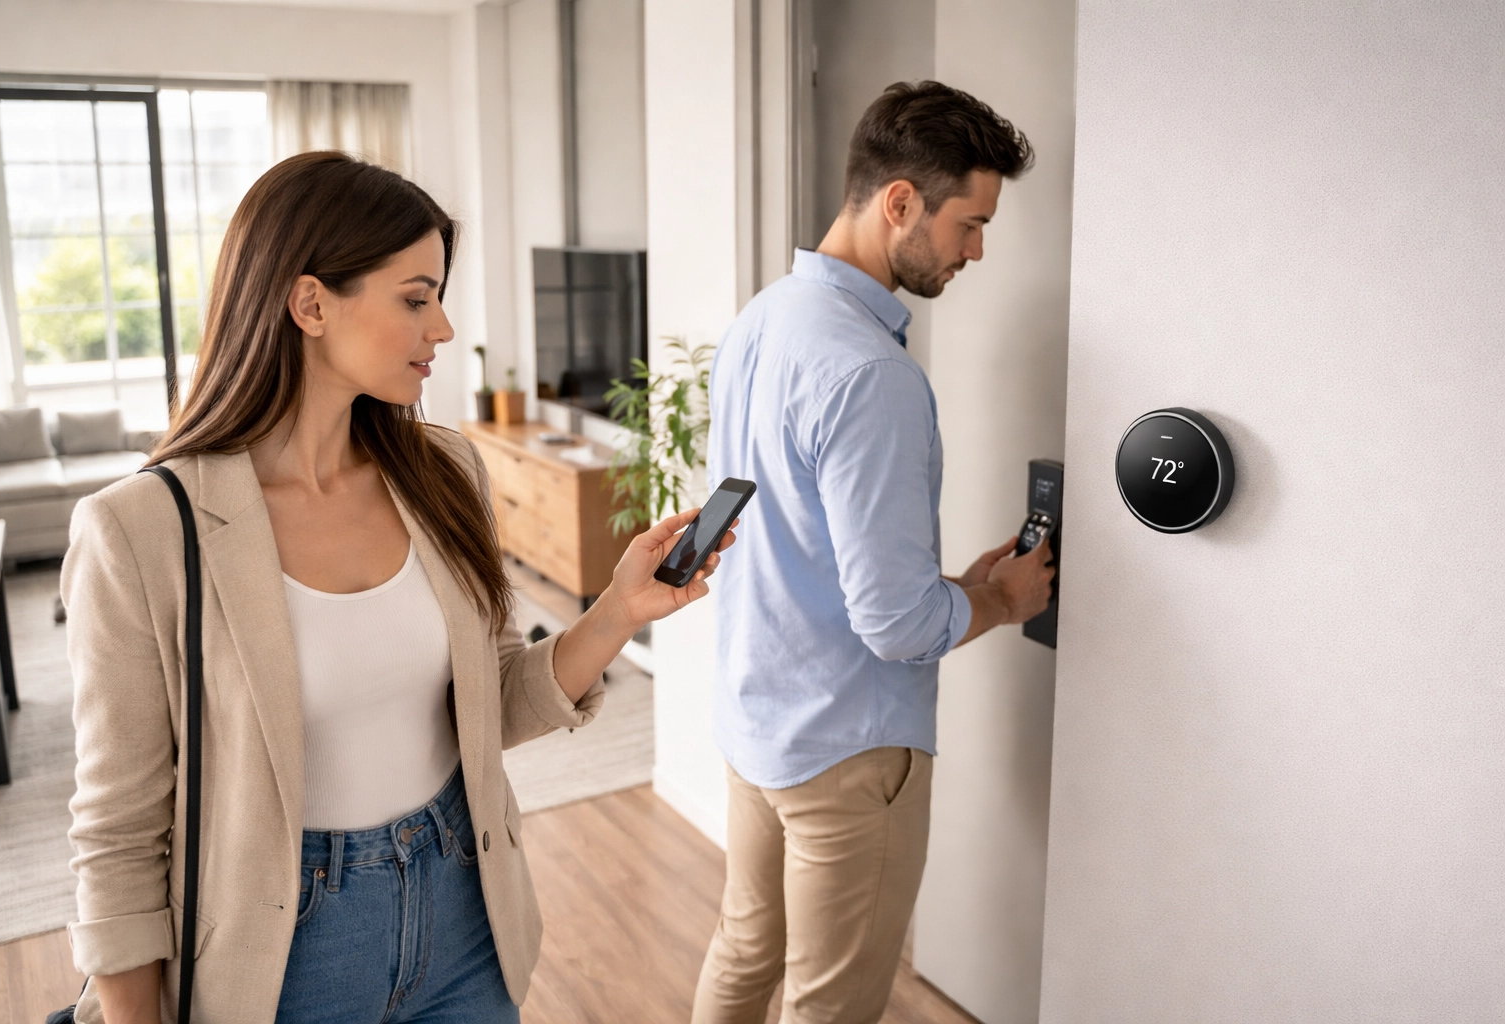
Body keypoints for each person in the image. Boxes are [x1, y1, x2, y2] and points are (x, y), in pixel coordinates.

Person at [61, 151, 735, 1024]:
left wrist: (617, 612)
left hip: (463, 909)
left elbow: (494, 704)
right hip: (281, 958)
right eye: (416, 298)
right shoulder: (142, 530)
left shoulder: (445, 470)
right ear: (310, 304)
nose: (444, 328)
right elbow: (117, 833)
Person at [694, 81, 1054, 1024]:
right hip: (848, 754)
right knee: (830, 1006)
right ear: (901, 202)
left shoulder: (762, 319)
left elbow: (794, 540)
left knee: (742, 952)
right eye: (970, 224)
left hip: (756, 722)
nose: (978, 250)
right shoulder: (873, 375)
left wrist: (953, 587)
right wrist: (1004, 601)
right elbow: (893, 627)